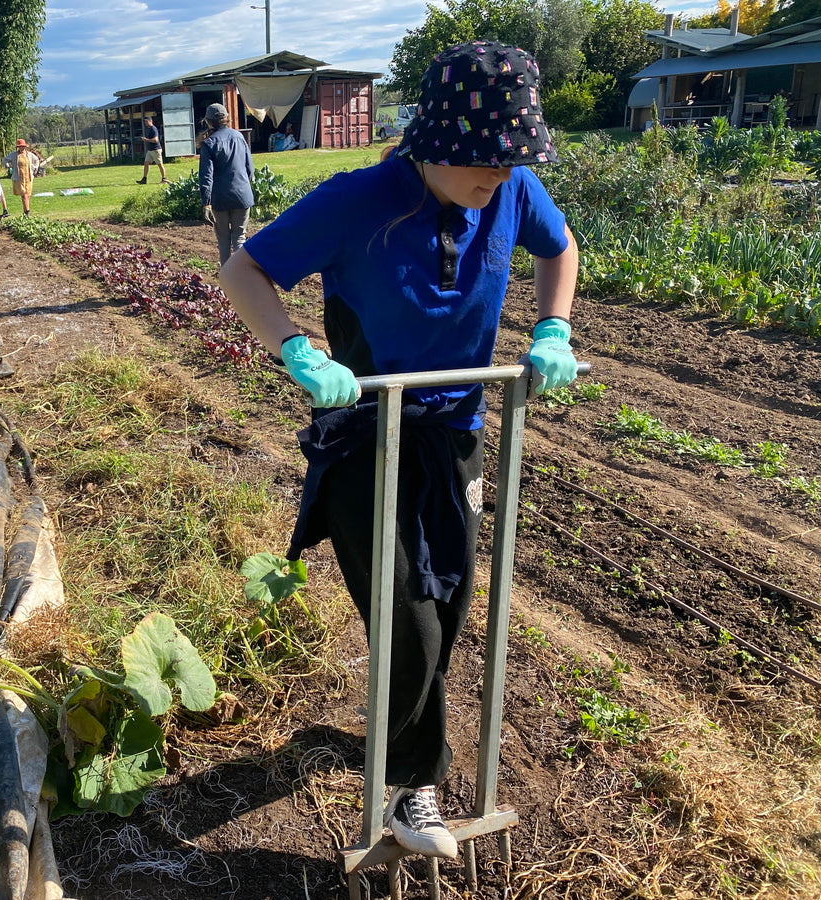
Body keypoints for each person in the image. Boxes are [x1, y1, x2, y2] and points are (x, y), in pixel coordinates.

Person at [218, 41, 579, 859]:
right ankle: (412, 789)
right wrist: (298, 350)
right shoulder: (359, 198)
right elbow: (245, 271)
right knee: (409, 619)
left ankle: (402, 747)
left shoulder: (513, 189)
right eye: (488, 158)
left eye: (517, 157)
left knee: (446, 609)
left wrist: (553, 324)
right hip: (367, 440)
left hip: (457, 439)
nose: (505, 173)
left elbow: (561, 249)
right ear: (436, 143)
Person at [198, 102, 254, 266]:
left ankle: (228, 280)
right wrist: (243, 186)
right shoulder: (239, 136)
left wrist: (206, 203)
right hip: (242, 196)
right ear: (226, 118)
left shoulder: (208, 143)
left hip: (220, 199)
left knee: (223, 241)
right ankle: (245, 275)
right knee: (239, 238)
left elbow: (206, 177)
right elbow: (249, 168)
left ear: (208, 121)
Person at [138, 115, 170, 184]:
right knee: (146, 163)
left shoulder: (153, 129)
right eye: (145, 122)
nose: (145, 123)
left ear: (150, 121)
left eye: (146, 122)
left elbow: (155, 140)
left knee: (160, 164)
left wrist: (146, 139)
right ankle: (144, 179)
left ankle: (164, 179)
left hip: (156, 150)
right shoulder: (149, 129)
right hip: (150, 150)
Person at [12, 138, 34, 215]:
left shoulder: (29, 154)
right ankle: (27, 211)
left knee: (27, 195)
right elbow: (5, 160)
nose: (22, 148)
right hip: (19, 178)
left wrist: (34, 168)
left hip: (28, 177)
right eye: (20, 146)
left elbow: (36, 160)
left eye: (23, 146)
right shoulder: (14, 155)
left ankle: (25, 212)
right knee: (24, 195)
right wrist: (7, 166)